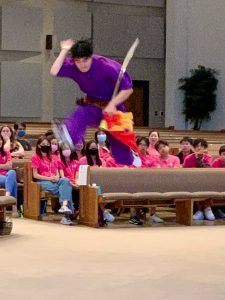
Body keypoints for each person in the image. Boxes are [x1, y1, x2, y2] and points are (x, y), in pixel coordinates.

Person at [50, 38, 135, 165]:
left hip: (114, 108)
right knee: (81, 115)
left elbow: (128, 90)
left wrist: (112, 104)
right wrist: (64, 50)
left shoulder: (107, 67)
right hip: (93, 105)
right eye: (78, 61)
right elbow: (54, 70)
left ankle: (131, 160)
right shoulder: (74, 67)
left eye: (85, 60)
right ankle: (69, 137)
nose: (82, 64)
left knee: (121, 151)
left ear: (91, 56)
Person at [31, 136, 74, 225]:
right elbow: (35, 175)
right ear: (39, 146)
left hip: (54, 180)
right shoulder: (35, 157)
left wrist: (57, 177)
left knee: (65, 180)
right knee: (66, 189)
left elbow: (57, 172)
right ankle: (66, 215)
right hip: (42, 181)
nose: (46, 146)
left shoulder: (54, 157)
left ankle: (64, 206)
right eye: (43, 144)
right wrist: (49, 178)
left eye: (47, 144)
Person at [183, 138, 214, 221]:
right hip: (191, 182)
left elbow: (207, 170)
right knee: (194, 186)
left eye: (202, 146)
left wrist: (198, 159)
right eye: (197, 146)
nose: (199, 148)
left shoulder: (208, 157)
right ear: (193, 148)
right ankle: (200, 210)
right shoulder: (188, 158)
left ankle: (206, 208)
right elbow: (184, 174)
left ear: (205, 148)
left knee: (208, 185)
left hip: (205, 181)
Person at [0, 135, 18, 217]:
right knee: (13, 181)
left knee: (12, 172)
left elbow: (10, 166)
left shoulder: (6, 152)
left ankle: (7, 195)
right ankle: (14, 206)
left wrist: (4, 166)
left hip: (6, 177)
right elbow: (6, 166)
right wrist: (4, 165)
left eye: (0, 140)